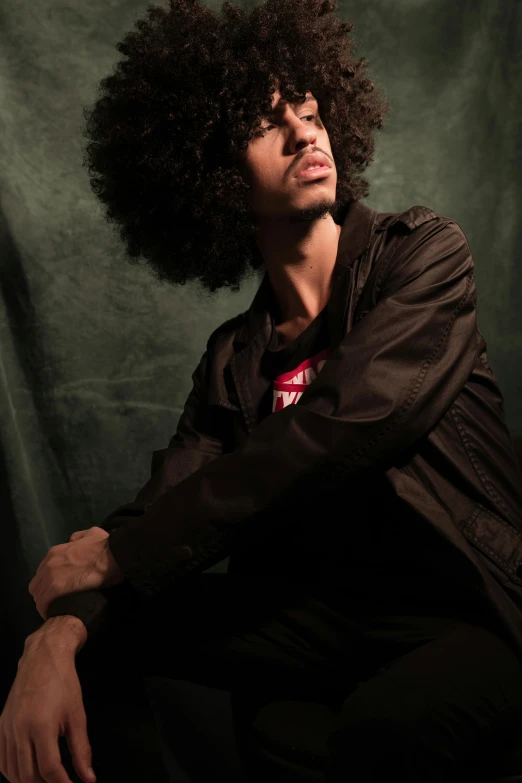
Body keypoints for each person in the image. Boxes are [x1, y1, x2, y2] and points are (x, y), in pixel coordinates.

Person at [2, 0, 522, 781]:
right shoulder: (232, 361)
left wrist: (122, 554)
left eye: (309, 113)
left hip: (467, 612)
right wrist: (57, 635)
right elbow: (163, 502)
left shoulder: (421, 259)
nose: (304, 132)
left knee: (383, 731)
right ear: (212, 176)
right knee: (96, 640)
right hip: (324, 621)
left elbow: (343, 427)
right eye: (264, 123)